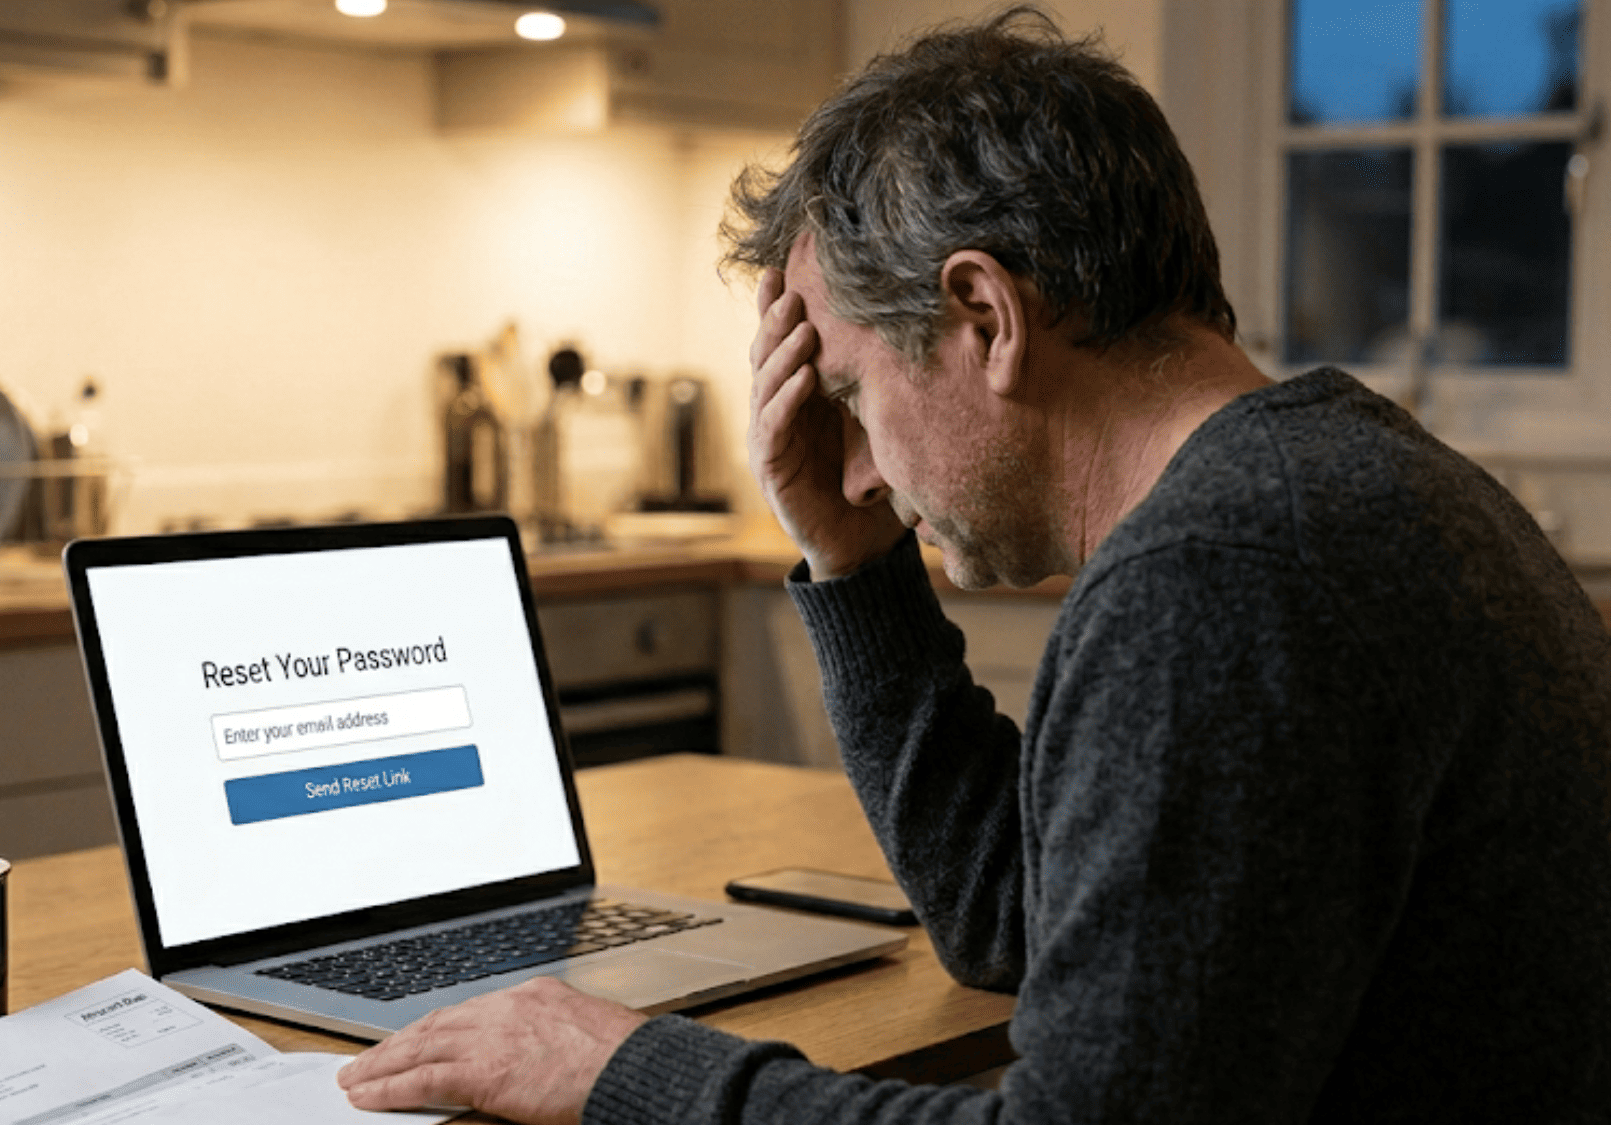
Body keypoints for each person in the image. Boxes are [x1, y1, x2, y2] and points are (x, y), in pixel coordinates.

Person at [338, 7, 1611, 1123]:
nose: (853, 468)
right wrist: (854, 565)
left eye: (851, 394)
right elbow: (1020, 921)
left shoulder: (1219, 576)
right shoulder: (1332, 484)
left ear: (984, 316)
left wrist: (626, 1072)